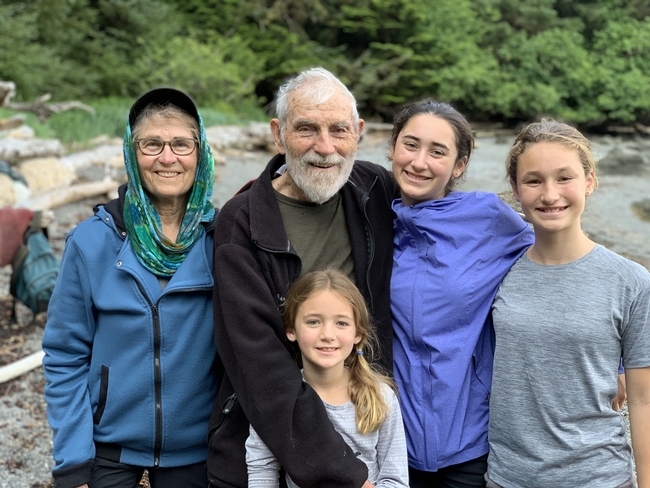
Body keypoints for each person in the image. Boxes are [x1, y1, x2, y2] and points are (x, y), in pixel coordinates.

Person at [207, 67, 396, 488]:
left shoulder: (374, 190)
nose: (325, 147)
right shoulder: (242, 222)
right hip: (262, 448)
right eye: (306, 129)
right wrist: (344, 474)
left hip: (365, 430)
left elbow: (440, 206)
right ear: (278, 134)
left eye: (339, 130)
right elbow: (257, 361)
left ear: (359, 132)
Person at [42, 87, 218, 488]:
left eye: (181, 144)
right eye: (151, 144)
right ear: (130, 152)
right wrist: (72, 461)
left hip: (199, 453)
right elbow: (64, 355)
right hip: (108, 450)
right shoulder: (91, 242)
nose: (167, 157)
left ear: (201, 151)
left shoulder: (222, 240)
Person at [487, 120, 650, 488]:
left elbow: (643, 400)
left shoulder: (632, 281)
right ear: (515, 188)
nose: (549, 194)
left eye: (564, 178)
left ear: (589, 181)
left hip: (599, 477)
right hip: (508, 478)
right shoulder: (497, 273)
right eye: (533, 180)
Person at [389, 99, 534, 487]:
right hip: (390, 442)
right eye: (410, 144)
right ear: (392, 149)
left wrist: (618, 360)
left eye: (438, 152)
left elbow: (561, 262)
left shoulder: (487, 217)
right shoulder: (374, 220)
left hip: (470, 441)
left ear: (459, 166)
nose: (419, 162)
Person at [245, 269, 409, 488]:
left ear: (357, 333)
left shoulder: (380, 396)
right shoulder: (277, 399)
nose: (328, 335)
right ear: (291, 329)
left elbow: (396, 480)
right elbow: (261, 470)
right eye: (314, 322)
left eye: (341, 323)